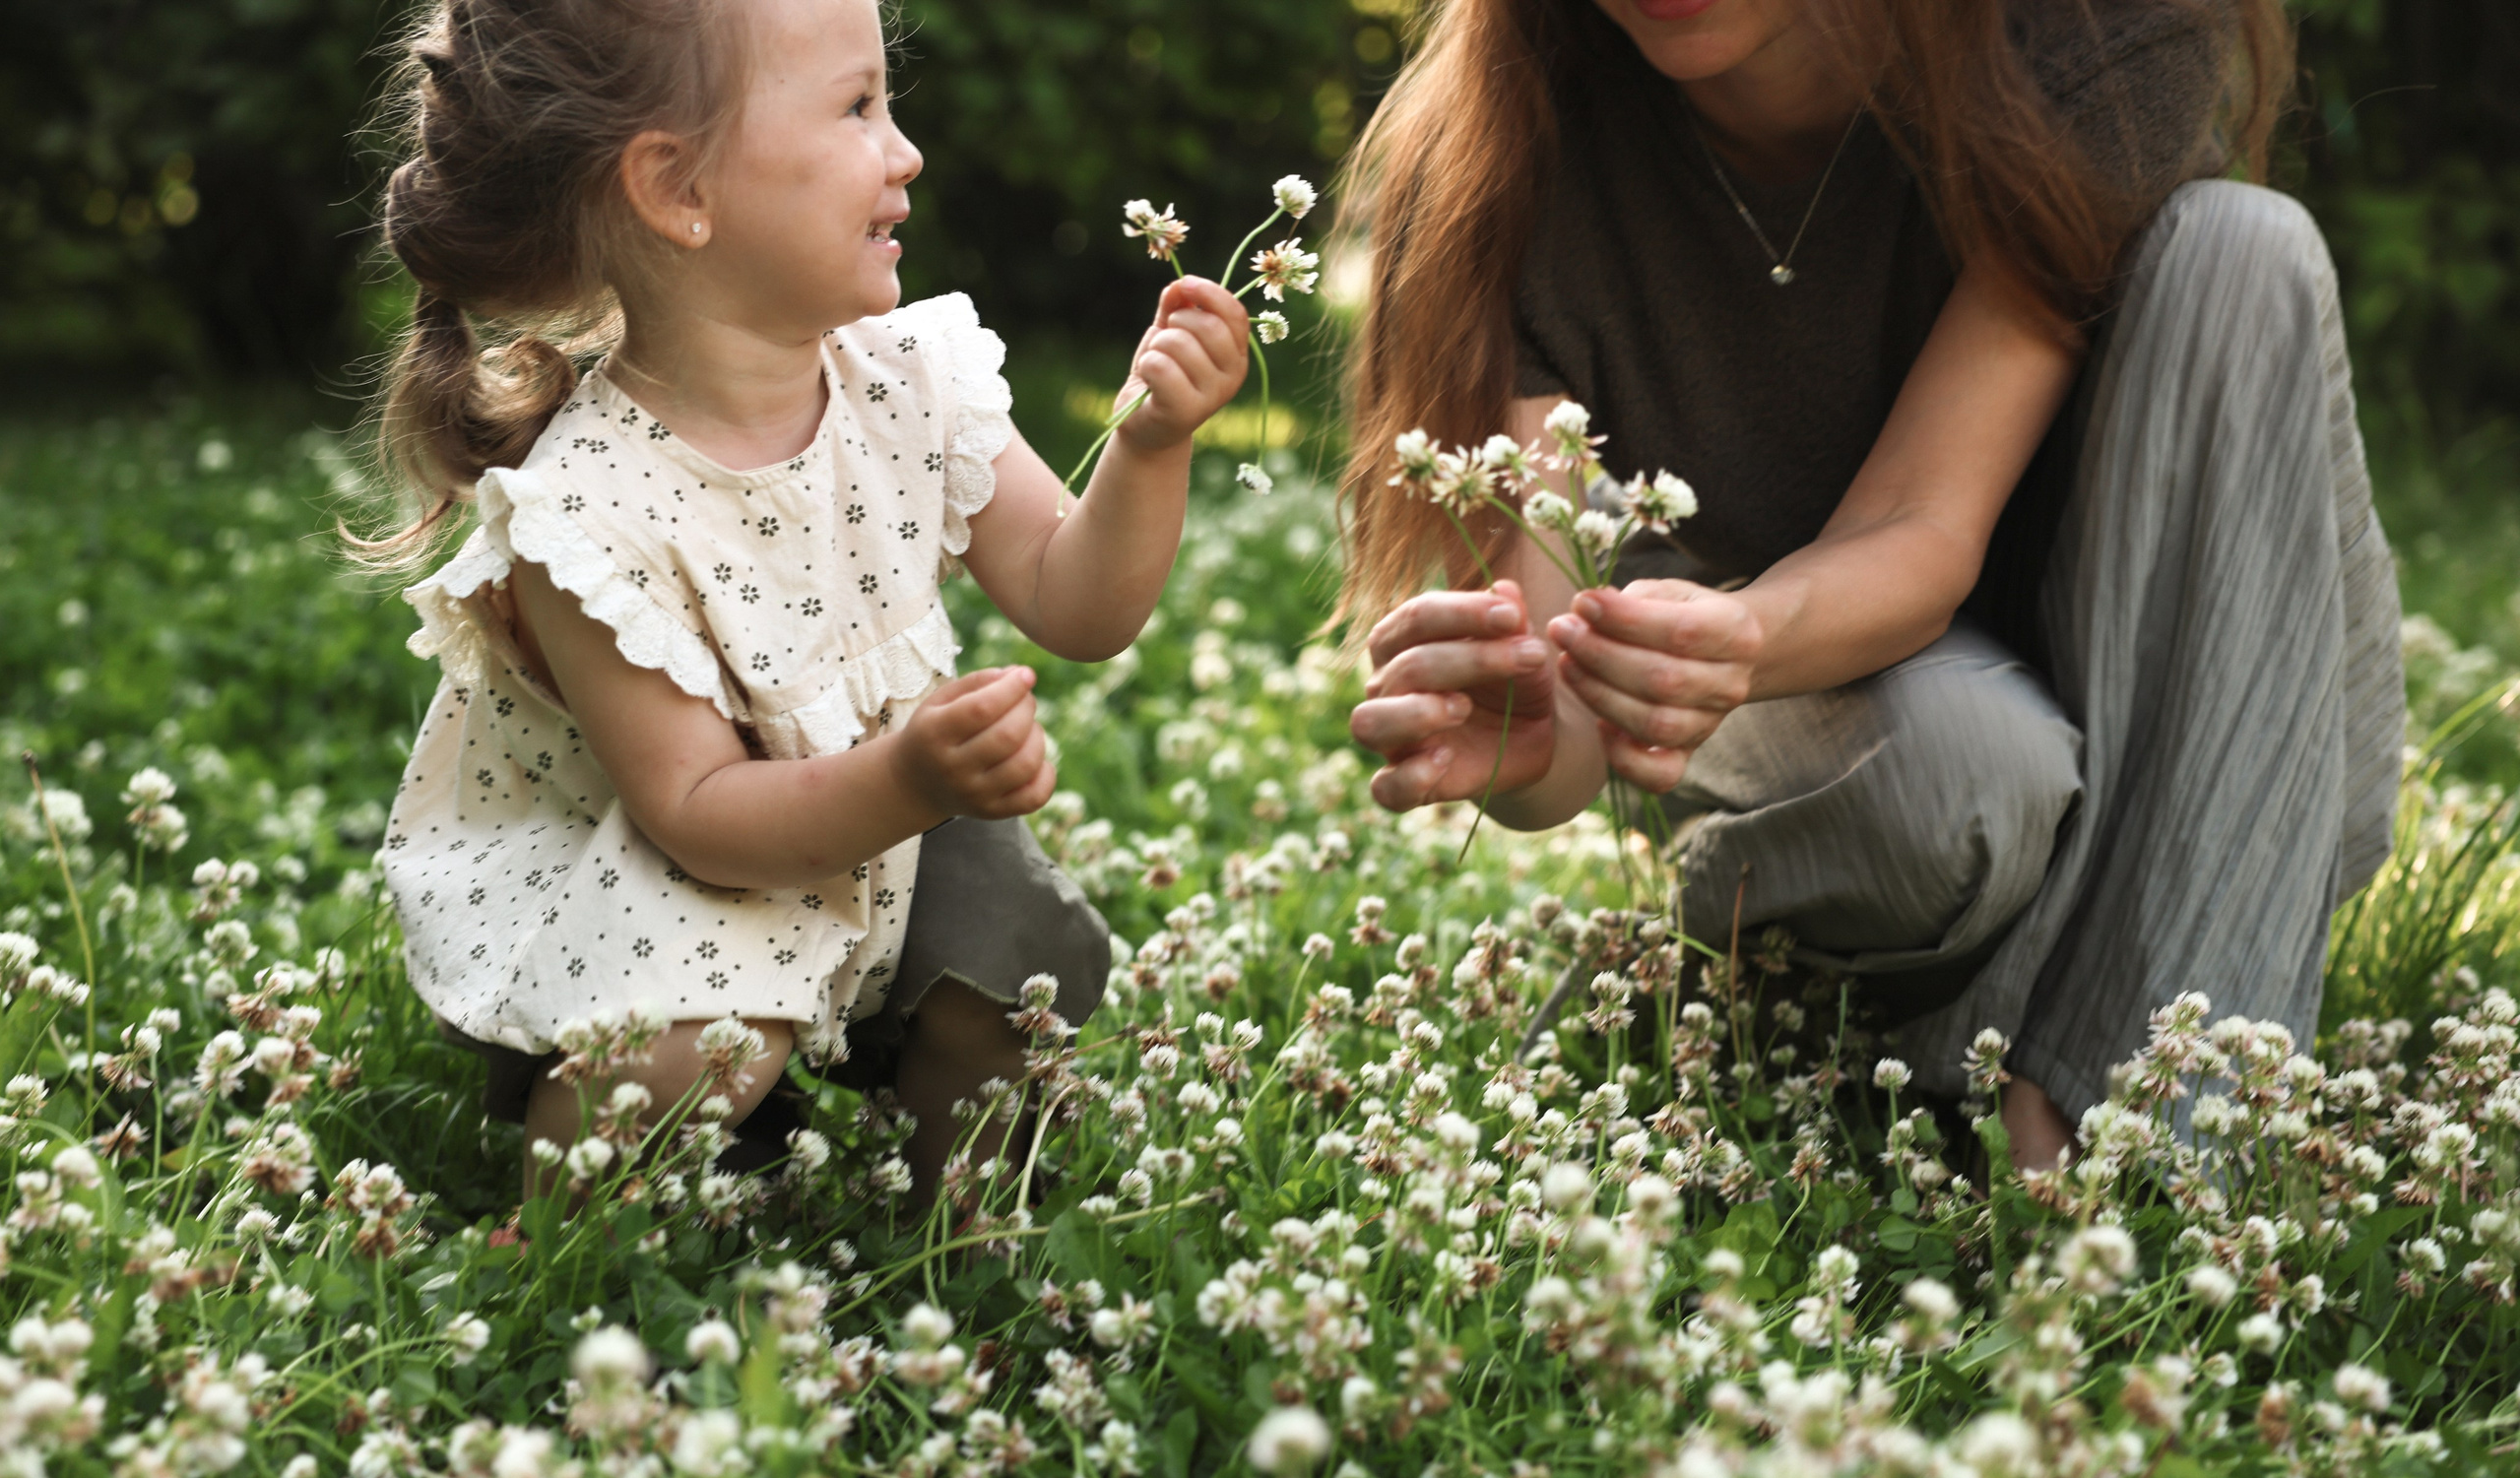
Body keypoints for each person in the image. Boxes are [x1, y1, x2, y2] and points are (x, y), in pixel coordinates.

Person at [1337, 0, 2402, 1166]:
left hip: (2237, 714)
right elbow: (1568, 710)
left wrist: (1742, 632)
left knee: (2244, 250)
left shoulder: (2094, 26)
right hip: (1889, 750)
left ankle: (2132, 1130)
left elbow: (1919, 514)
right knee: (1959, 777)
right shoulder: (1502, 146)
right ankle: (2013, 1061)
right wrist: (1531, 743)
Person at [363, 0, 1249, 1192]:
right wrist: (908, 780)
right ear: (678, 189)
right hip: (670, 884)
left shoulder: (909, 380)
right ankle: (573, 1195)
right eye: (854, 107)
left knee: (1009, 971)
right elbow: (697, 809)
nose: (905, 150)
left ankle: (955, 1220)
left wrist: (1151, 448)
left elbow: (1076, 602)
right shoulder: (582, 514)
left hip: (895, 826)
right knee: (700, 1057)